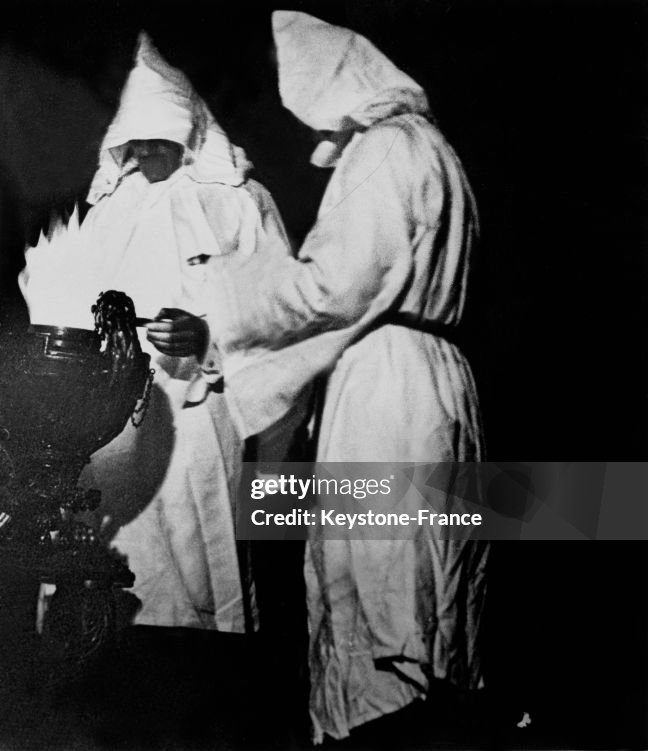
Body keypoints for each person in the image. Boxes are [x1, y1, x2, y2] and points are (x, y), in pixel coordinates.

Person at [200, 11, 488, 743]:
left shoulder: (384, 150)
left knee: (378, 581)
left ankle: (382, 727)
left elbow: (333, 285)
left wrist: (230, 299)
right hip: (439, 379)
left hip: (387, 385)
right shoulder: (438, 152)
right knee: (427, 573)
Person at [72, 33, 292, 633]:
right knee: (122, 560)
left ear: (189, 132)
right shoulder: (109, 212)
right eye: (133, 140)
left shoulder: (240, 203)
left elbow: (281, 311)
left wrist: (206, 336)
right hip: (114, 418)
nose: (144, 152)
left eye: (157, 137)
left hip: (200, 410)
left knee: (199, 563)